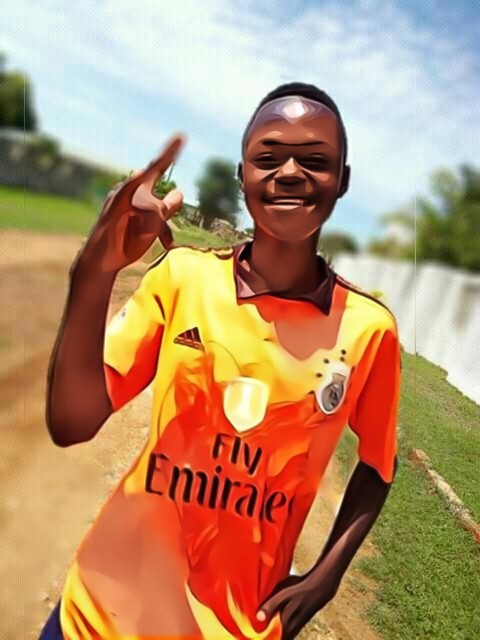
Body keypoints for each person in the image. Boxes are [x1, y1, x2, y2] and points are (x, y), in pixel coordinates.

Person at [42, 82, 400, 640]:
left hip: (236, 628)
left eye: (314, 160)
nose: (289, 172)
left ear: (342, 181)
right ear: (242, 175)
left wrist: (327, 575)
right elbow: (71, 422)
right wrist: (93, 270)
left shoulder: (369, 330)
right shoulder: (183, 277)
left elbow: (378, 465)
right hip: (97, 615)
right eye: (268, 157)